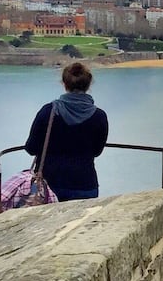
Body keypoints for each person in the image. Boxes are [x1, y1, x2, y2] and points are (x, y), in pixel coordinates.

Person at [24, 62, 108, 201]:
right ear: (88, 85)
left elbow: (31, 148)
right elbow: (97, 151)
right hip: (85, 185)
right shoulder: (99, 116)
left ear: (64, 83)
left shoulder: (48, 111)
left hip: (49, 185)